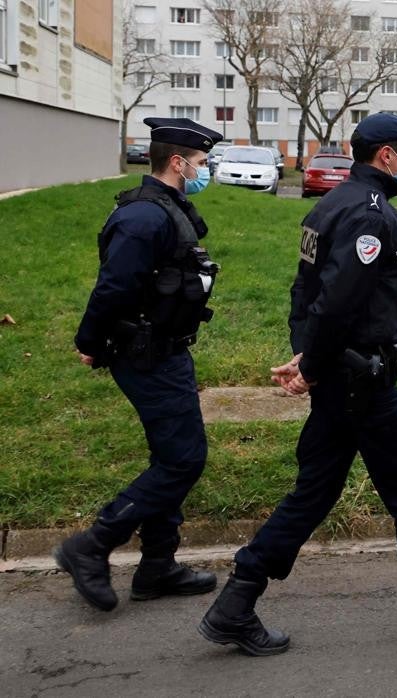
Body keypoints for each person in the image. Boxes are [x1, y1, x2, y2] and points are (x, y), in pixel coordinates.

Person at [198, 113, 397, 656]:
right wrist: (311, 364)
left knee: (314, 492)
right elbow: (335, 300)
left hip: (341, 375)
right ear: (386, 155)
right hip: (364, 383)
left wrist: (306, 353)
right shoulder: (367, 214)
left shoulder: (330, 205)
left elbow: (303, 292)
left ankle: (235, 603)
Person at [55, 117, 224, 612]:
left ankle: (157, 567)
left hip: (166, 349)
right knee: (183, 460)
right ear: (177, 162)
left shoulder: (166, 209)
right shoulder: (144, 218)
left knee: (170, 457)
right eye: (200, 163)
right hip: (146, 356)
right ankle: (90, 546)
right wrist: (90, 340)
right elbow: (113, 288)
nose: (204, 170)